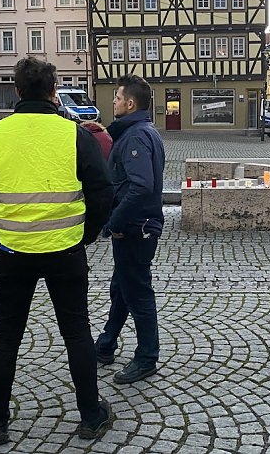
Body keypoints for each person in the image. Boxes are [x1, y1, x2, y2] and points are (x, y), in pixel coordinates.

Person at [0, 57, 114, 445]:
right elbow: (102, 193)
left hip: (13, 252)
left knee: (6, 335)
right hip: (66, 250)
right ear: (53, 90)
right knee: (77, 333)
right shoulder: (75, 134)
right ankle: (91, 415)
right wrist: (87, 235)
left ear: (16, 90)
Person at [95, 74, 166, 386]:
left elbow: (140, 187)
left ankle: (147, 357)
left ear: (131, 103)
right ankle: (107, 345)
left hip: (136, 230)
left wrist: (114, 223)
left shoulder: (136, 137)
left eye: (117, 97)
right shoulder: (137, 131)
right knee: (121, 288)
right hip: (135, 227)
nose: (113, 101)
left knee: (137, 292)